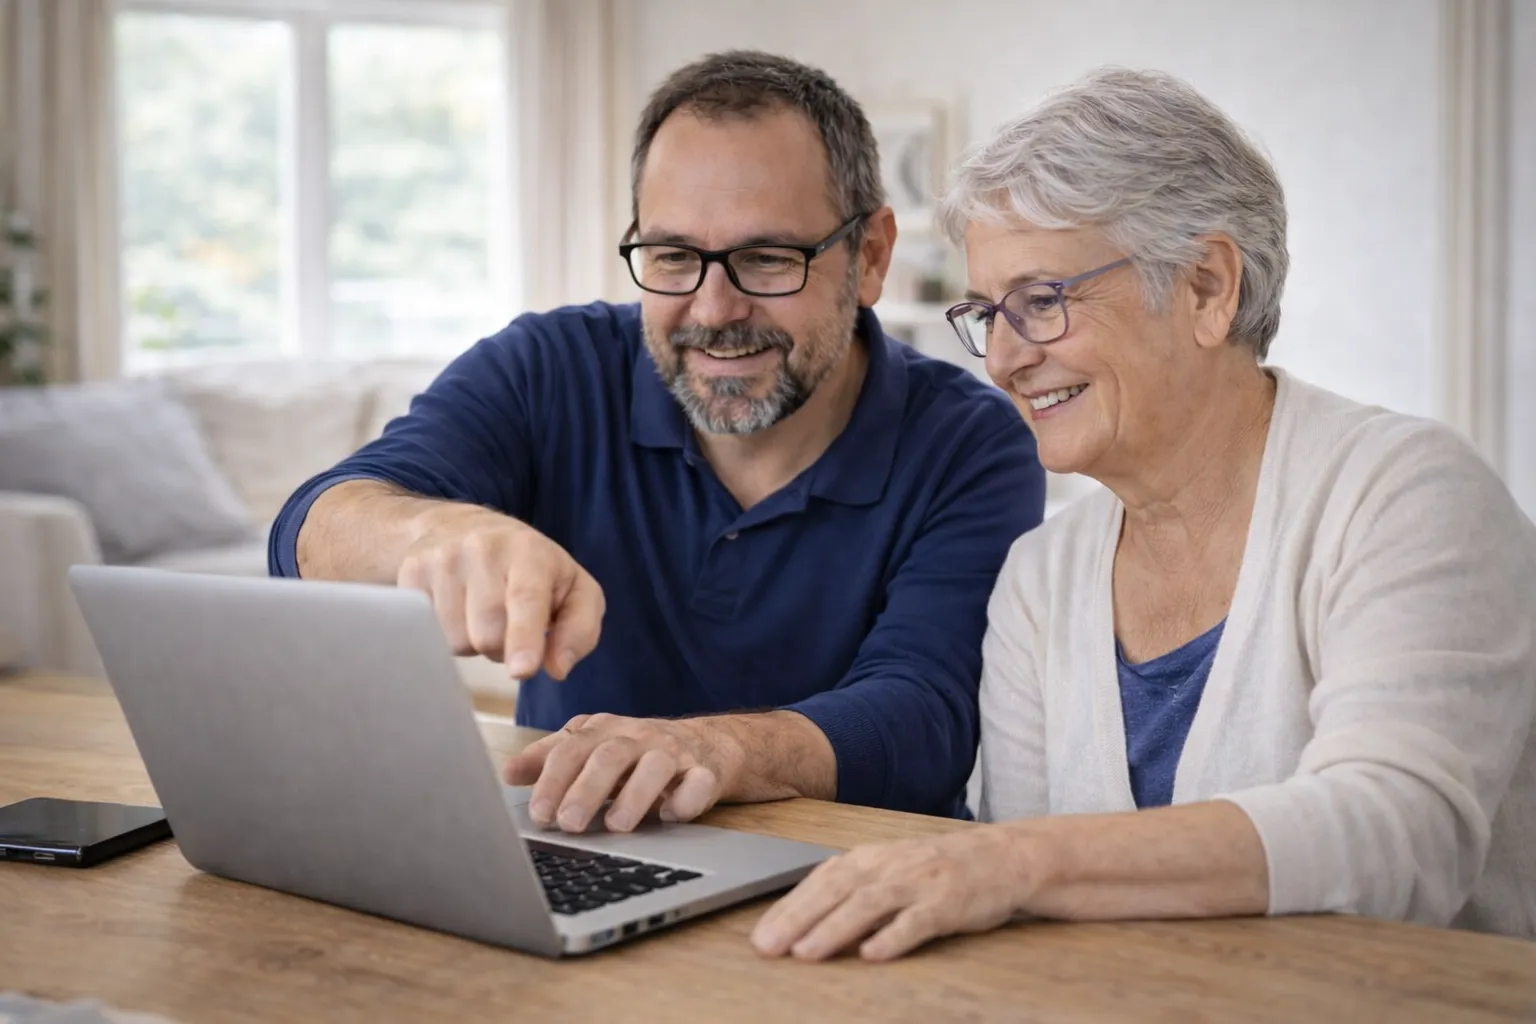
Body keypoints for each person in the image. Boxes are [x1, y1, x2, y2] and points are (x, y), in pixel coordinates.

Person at [751, 67, 1536, 962]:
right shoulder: (1041, 580)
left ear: (1206, 287)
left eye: (1041, 303)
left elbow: (1401, 831)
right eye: (986, 314)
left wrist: (1007, 864)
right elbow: (1037, 934)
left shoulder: (1408, 495)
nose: (1003, 359)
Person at [268, 50, 1045, 828]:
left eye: (766, 259)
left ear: (870, 256)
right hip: (582, 851)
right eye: (673, 256)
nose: (711, 310)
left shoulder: (971, 443)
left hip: (857, 879)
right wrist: (436, 530)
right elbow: (308, 529)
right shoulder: (549, 368)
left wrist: (718, 751)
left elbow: (925, 715)